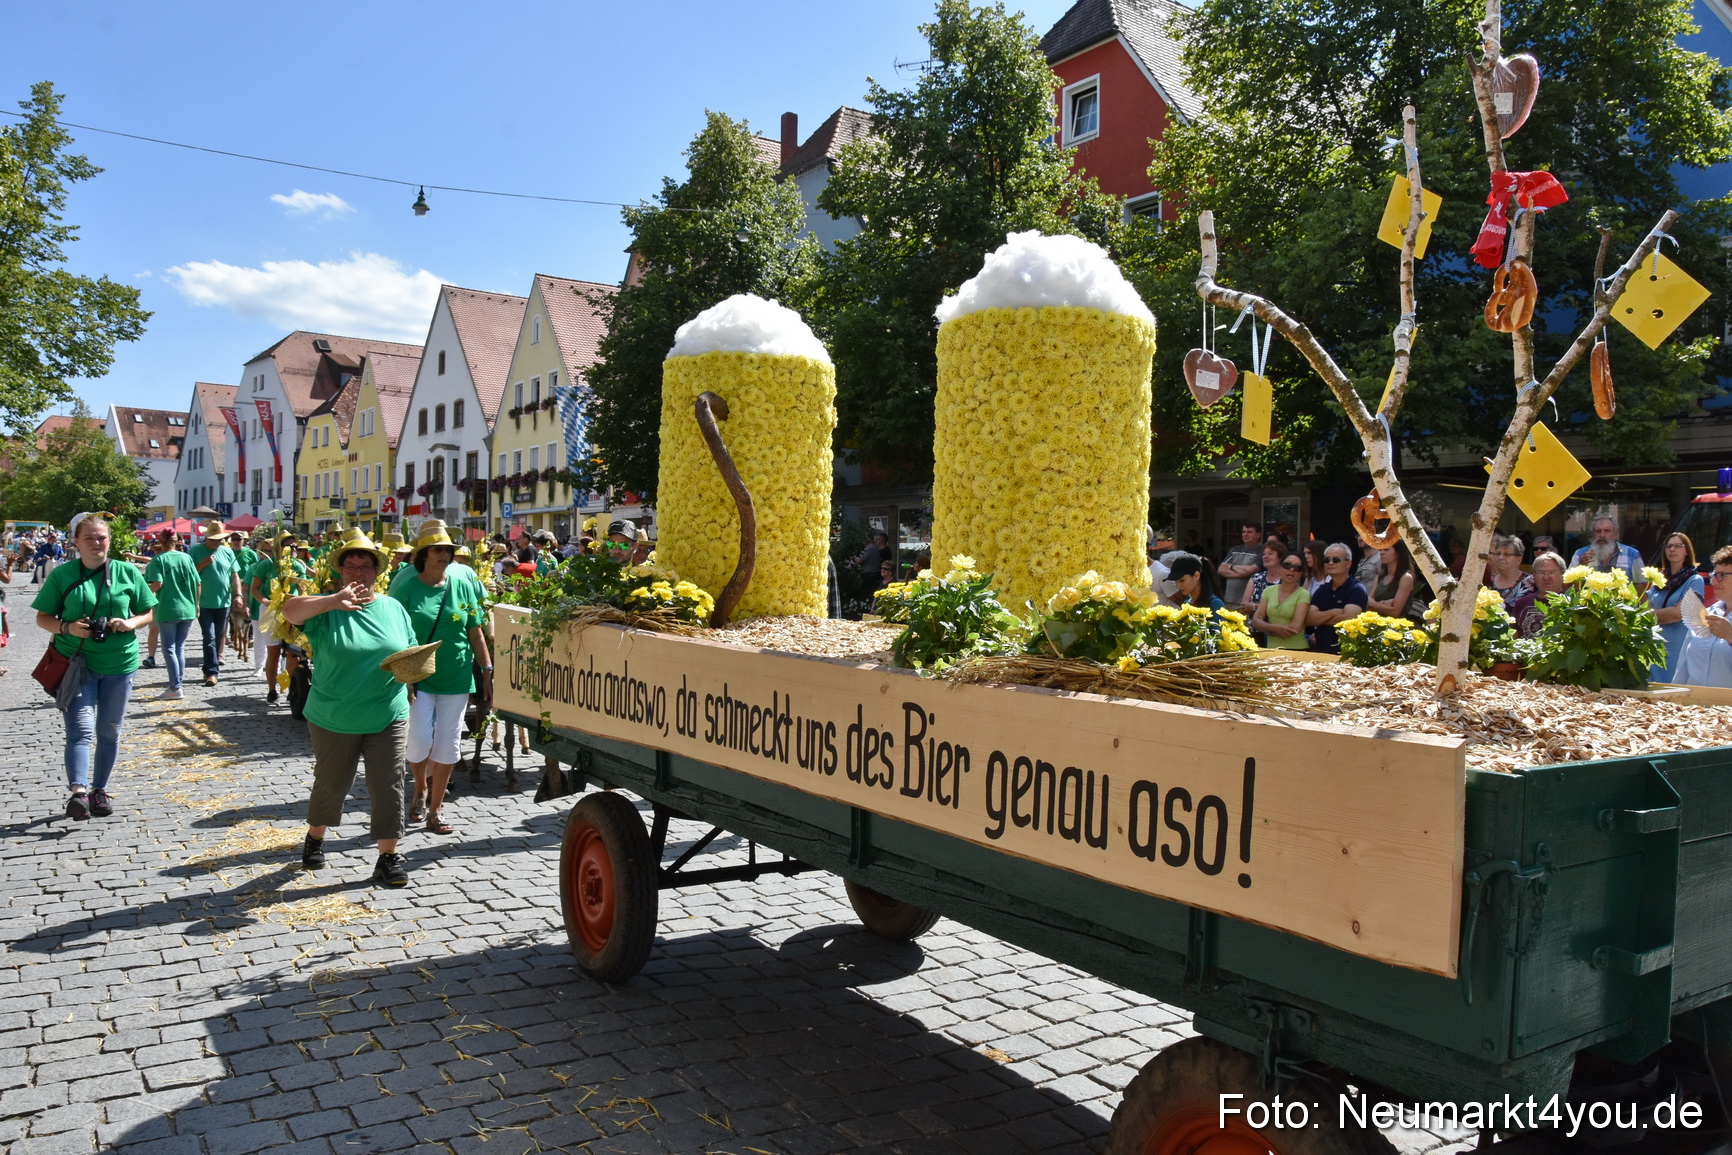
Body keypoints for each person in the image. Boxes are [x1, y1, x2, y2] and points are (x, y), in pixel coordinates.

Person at [282, 529, 416, 887]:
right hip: (334, 715)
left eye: (365, 567)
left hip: (387, 712)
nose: (358, 573)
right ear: (341, 572)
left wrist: (412, 678)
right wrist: (331, 600)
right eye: (351, 567)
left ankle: (388, 857)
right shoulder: (325, 608)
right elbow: (289, 611)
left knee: (388, 785)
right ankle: (316, 836)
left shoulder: (393, 608)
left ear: (376, 572)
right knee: (332, 784)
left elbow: (410, 650)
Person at [32, 513, 156, 820]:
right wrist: (67, 628)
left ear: (110, 541)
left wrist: (130, 622)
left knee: (110, 731)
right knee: (81, 730)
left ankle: (100, 790)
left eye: (102, 537)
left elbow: (148, 612)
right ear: (76, 542)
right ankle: (79, 793)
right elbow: (42, 617)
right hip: (78, 664)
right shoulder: (63, 575)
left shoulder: (127, 572)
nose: (96, 543)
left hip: (120, 664)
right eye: (89, 537)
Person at [390, 522, 491, 836]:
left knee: (448, 745)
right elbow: (393, 631)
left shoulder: (460, 583)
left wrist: (487, 670)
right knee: (419, 741)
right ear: (423, 555)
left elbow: (474, 630)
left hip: (457, 673)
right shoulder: (406, 584)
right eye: (438, 550)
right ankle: (419, 787)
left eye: (448, 550)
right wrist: (401, 672)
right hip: (418, 676)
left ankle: (435, 810)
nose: (444, 555)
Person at [143, 534, 199, 700]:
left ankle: (175, 687)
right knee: (179, 648)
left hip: (168, 608)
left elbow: (156, 584)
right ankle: (177, 684)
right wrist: (196, 605)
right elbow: (198, 582)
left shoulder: (158, 560)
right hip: (187, 608)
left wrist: (141, 593)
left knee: (169, 648)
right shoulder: (186, 558)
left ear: (161, 541)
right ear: (176, 542)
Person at [188, 521, 244, 687]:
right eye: (212, 539)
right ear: (206, 537)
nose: (215, 542)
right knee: (209, 637)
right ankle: (211, 672)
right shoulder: (195, 551)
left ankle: (209, 668)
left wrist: (239, 595)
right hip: (203, 602)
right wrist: (202, 564)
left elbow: (234, 576)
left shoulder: (227, 552)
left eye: (218, 539)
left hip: (224, 602)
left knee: (219, 637)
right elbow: (189, 574)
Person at [1649, 533, 1706, 683]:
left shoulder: (1695, 580)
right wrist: (1663, 613)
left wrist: (1650, 615)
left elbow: (1678, 613)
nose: (1672, 549)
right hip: (1653, 644)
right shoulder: (1658, 580)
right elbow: (1644, 607)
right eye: (1669, 546)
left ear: (1687, 550)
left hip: (1676, 646)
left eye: (1678, 546)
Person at [1677, 547, 1732, 689]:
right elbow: (1683, 667)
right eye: (1713, 574)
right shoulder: (1705, 613)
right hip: (1694, 708)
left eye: (1722, 575)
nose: (1713, 582)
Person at [1305, 543, 1367, 655]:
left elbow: (1347, 620)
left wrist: (1321, 619)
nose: (1330, 563)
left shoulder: (1357, 589)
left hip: (1346, 654)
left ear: (1349, 563)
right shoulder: (1322, 590)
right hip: (1321, 652)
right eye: (1327, 560)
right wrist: (1334, 612)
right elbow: (1309, 619)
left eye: (1336, 560)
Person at [1253, 552, 1311, 650]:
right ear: (1279, 568)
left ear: (1301, 573)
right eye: (1287, 565)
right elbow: (1255, 621)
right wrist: (1275, 629)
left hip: (1297, 649)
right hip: (1271, 649)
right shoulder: (1268, 591)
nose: (1291, 569)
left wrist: (1266, 628)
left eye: (1297, 567)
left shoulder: (1303, 594)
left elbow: (1294, 629)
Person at [1507, 551, 1567, 638]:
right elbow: (1513, 635)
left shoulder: (1570, 603)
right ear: (1534, 576)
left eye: (1552, 572)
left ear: (1563, 575)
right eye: (1541, 572)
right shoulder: (1522, 603)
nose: (1546, 577)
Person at [1571, 516, 1644, 586]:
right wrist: (1581, 566)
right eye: (1598, 531)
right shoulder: (1580, 554)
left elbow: (1642, 587)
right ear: (1593, 534)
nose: (1602, 535)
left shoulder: (1632, 554)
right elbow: (1569, 588)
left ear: (1616, 534)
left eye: (1607, 531)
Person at [1366, 540, 1422, 621]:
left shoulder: (1406, 578)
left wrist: (1374, 603)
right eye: (1381, 550)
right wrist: (1383, 604)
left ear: (1398, 553)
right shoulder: (1379, 577)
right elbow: (1368, 606)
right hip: (1378, 624)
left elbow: (1395, 612)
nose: (1381, 553)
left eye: (1386, 550)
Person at [1217, 522, 1263, 606]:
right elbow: (1221, 569)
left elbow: (1251, 570)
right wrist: (1243, 574)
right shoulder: (1235, 549)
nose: (1245, 534)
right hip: (1229, 599)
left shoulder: (1261, 551)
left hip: (1247, 602)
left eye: (1249, 532)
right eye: (1244, 532)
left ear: (1258, 535)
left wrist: (1231, 566)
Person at [1240, 540, 1284, 621]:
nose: (1265, 556)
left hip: (1276, 628)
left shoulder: (1286, 580)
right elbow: (1244, 607)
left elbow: (1282, 609)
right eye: (1264, 554)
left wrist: (1254, 607)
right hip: (1253, 628)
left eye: (1270, 554)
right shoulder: (1256, 578)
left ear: (1280, 557)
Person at [1485, 534, 1533, 607]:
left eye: (1506, 554)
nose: (1500, 557)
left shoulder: (1531, 583)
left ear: (1519, 559)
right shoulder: (1488, 582)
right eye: (1498, 554)